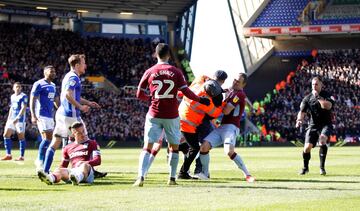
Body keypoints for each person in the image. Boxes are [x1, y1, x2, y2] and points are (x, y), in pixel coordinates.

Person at [133, 43, 210, 186]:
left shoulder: (149, 71)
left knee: (147, 146)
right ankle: (172, 178)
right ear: (169, 55)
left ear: (156, 54)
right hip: (171, 115)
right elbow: (186, 92)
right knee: (174, 147)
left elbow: (139, 94)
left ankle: (141, 177)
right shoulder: (176, 71)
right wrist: (200, 99)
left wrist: (150, 99)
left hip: (154, 114)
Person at [39, 54, 100, 175]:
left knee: (55, 142)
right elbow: (68, 94)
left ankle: (45, 170)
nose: (85, 66)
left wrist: (88, 102)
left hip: (61, 113)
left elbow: (74, 95)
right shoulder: (74, 78)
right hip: (71, 115)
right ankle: (88, 170)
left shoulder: (68, 76)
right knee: (86, 140)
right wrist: (81, 107)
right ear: (77, 65)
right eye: (83, 63)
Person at [197, 73, 255, 182]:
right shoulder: (233, 92)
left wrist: (216, 101)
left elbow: (226, 110)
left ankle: (247, 174)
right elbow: (245, 99)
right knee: (204, 146)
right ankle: (205, 174)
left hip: (231, 127)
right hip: (222, 126)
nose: (235, 82)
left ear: (243, 84)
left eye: (238, 81)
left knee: (228, 151)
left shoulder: (238, 94)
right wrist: (250, 107)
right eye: (234, 79)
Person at [177, 71, 227, 179]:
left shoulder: (198, 81)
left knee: (190, 145)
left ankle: (179, 150)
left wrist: (216, 86)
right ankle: (182, 172)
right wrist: (224, 102)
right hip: (188, 124)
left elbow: (203, 76)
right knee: (195, 148)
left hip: (181, 114)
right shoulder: (207, 102)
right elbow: (215, 113)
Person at [296, 76, 334, 175]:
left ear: (321, 85)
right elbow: (302, 111)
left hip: (326, 124)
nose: (314, 86)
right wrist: (299, 119)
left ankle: (322, 168)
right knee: (307, 148)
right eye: (313, 84)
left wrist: (318, 97)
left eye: (316, 84)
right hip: (313, 125)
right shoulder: (307, 98)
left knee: (322, 140)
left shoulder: (327, 95)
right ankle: (305, 168)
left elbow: (328, 106)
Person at [30, 66, 59, 169]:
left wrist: (60, 110)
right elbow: (32, 98)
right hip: (41, 114)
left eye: (54, 71)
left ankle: (43, 163)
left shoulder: (54, 85)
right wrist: (33, 114)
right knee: (48, 138)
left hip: (50, 116)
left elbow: (55, 100)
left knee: (47, 139)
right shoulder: (39, 84)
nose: (54, 73)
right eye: (51, 71)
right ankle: (40, 160)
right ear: (45, 72)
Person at [1, 82, 28, 161]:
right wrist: (8, 119)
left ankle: (22, 156)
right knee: (6, 135)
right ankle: (8, 155)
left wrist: (18, 117)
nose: (18, 88)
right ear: (13, 88)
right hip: (11, 119)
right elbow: (12, 108)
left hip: (20, 120)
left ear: (21, 88)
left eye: (19, 87)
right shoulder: (12, 96)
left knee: (21, 137)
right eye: (16, 87)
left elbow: (23, 108)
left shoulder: (23, 96)